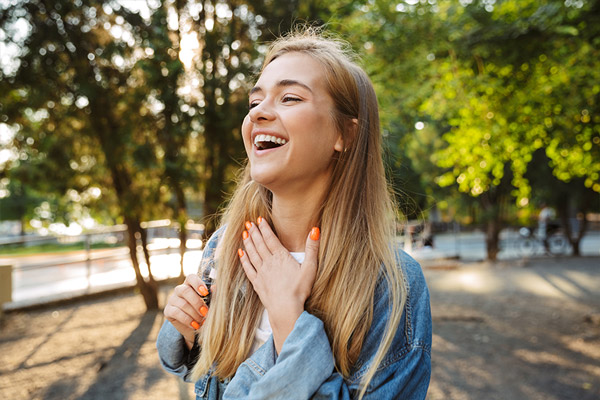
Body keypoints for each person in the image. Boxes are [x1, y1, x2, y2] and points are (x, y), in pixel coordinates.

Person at [156, 28, 432, 399]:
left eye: (289, 97)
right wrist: (187, 331)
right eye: (254, 102)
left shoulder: (394, 285)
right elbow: (208, 374)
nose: (259, 113)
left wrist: (290, 322)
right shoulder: (227, 245)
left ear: (345, 135)